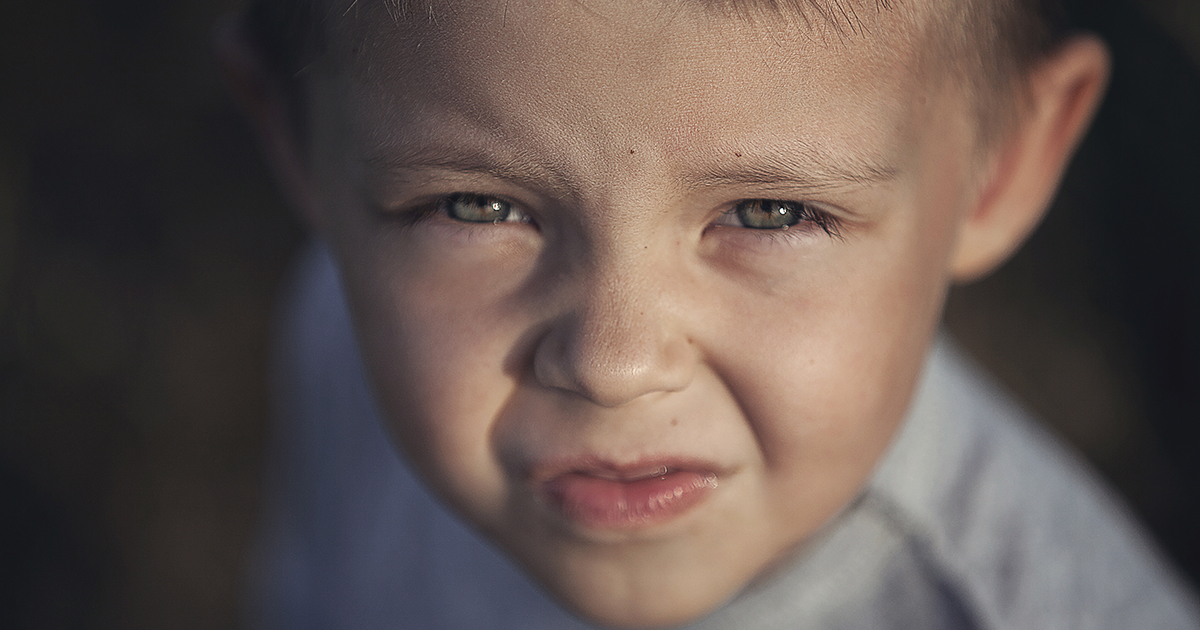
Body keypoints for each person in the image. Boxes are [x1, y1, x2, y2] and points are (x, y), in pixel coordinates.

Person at [217, 0, 1200, 627]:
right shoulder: (342, 326)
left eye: (771, 213)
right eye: (477, 208)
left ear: (1000, 166)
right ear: (300, 146)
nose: (614, 365)